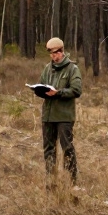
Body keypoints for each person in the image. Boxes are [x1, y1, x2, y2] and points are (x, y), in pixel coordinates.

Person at [36, 37, 84, 186]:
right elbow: (41, 84)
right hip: (48, 116)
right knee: (49, 149)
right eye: (50, 53)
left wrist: (58, 93)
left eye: (55, 53)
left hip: (64, 116)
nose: (53, 56)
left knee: (67, 148)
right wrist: (39, 90)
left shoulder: (72, 69)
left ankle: (72, 181)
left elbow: (76, 90)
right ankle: (51, 181)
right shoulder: (47, 69)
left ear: (62, 51)